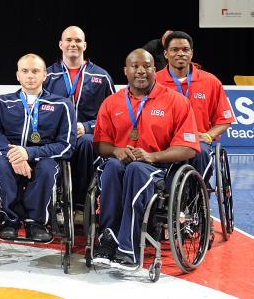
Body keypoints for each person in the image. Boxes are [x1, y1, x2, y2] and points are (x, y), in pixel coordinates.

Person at [91, 49, 199, 270]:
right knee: (111, 166)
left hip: (160, 169)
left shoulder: (176, 102)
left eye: (147, 66)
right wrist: (116, 151)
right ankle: (108, 239)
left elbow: (188, 148)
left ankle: (128, 248)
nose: (141, 71)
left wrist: (152, 156)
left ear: (154, 70)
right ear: (125, 71)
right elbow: (100, 145)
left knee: (136, 170)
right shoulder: (111, 103)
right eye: (135, 66)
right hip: (121, 164)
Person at [0, 54, 76, 242]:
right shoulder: (2, 102)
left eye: (35, 71)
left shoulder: (62, 105)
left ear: (45, 75)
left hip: (43, 156)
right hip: (9, 155)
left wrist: (28, 153)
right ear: (18, 75)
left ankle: (35, 222)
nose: (30, 75)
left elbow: (66, 145)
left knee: (47, 168)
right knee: (1, 166)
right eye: (25, 71)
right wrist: (15, 156)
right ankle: (9, 220)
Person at [42, 26, 115, 206]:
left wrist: (87, 126)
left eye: (77, 40)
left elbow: (114, 114)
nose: (73, 44)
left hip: (87, 136)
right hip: (56, 136)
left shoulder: (101, 76)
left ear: (85, 45)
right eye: (68, 40)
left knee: (85, 143)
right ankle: (48, 203)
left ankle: (80, 206)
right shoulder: (47, 75)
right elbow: (38, 110)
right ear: (60, 44)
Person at [155, 31, 234, 182]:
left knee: (202, 152)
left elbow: (224, 119)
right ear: (166, 54)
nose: (180, 53)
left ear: (192, 53)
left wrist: (208, 136)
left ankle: (198, 199)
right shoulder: (154, 82)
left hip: (196, 143)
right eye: (174, 50)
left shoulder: (210, 81)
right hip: (163, 144)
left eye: (185, 49)